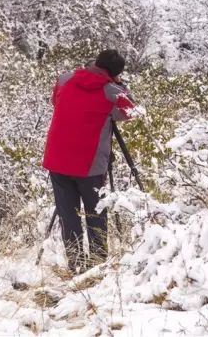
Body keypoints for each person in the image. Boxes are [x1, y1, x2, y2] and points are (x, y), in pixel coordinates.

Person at [42, 49, 135, 272]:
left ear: (96, 62)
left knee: (68, 214)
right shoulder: (112, 92)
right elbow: (132, 112)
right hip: (89, 166)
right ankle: (97, 266)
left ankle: (75, 264)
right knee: (96, 214)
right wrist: (122, 87)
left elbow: (55, 100)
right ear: (115, 73)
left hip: (57, 160)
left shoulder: (65, 79)